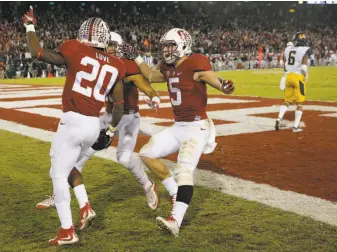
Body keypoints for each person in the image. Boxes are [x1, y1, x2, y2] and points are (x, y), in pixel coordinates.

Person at [23, 7, 126, 245]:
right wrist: (110, 131)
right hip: (93, 124)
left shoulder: (75, 48)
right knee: (66, 167)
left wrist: (30, 26)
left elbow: (36, 51)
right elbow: (118, 106)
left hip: (73, 122)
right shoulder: (115, 64)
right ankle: (85, 207)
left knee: (57, 174)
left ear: (84, 34)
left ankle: (67, 230)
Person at [122, 28, 235, 237]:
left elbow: (218, 82)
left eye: (171, 45)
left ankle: (176, 220)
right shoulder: (167, 66)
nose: (166, 50)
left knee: (184, 171)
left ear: (183, 45)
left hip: (196, 127)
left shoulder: (196, 62)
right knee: (146, 153)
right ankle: (174, 192)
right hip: (179, 126)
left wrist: (225, 86)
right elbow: (150, 75)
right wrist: (136, 56)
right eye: (165, 45)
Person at [36, 31, 160, 211]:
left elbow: (146, 87)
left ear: (119, 48)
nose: (109, 48)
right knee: (75, 159)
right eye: (107, 44)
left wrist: (154, 97)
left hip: (127, 118)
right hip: (109, 116)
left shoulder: (126, 66)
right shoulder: (99, 61)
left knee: (124, 158)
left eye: (112, 45)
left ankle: (148, 186)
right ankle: (59, 194)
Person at [275, 33, 310, 132]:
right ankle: (295, 127)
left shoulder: (288, 49)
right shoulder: (304, 50)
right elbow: (303, 67)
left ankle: (279, 118)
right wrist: (306, 75)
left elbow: (284, 55)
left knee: (287, 101)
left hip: (288, 77)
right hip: (298, 77)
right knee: (299, 103)